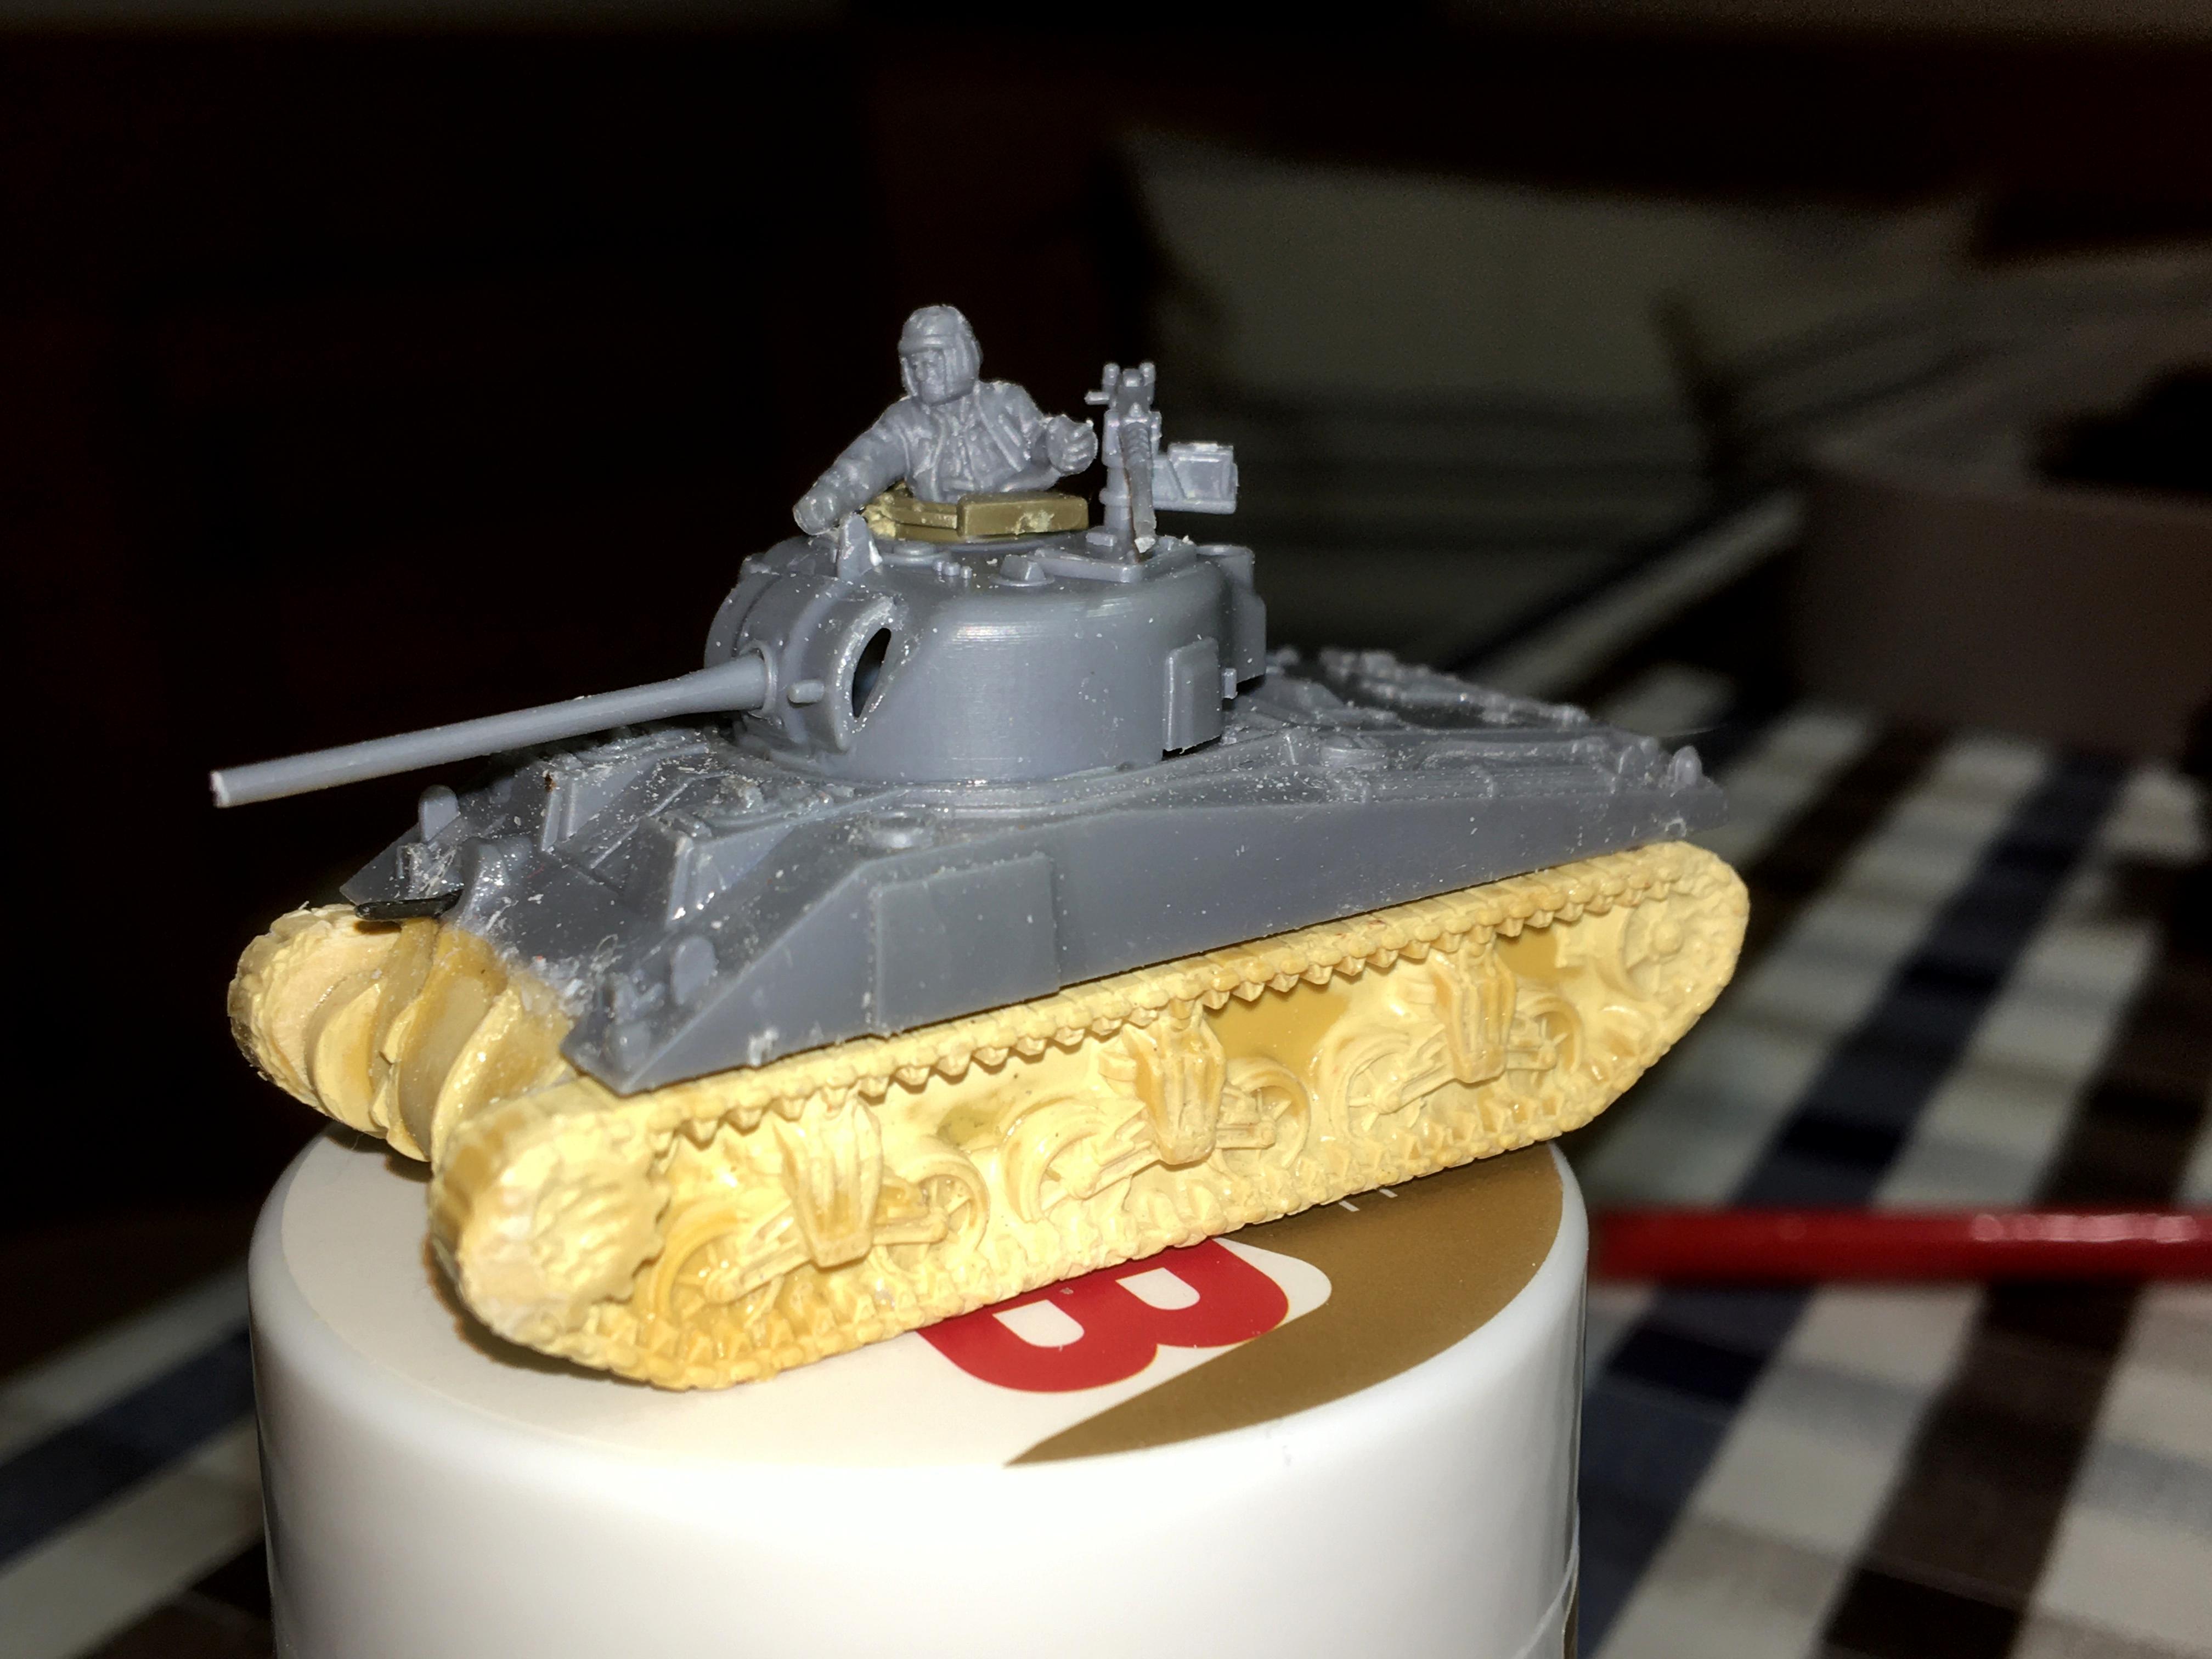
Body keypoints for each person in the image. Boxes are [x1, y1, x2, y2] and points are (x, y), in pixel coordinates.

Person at [792, 306, 1099, 534]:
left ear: (959, 356)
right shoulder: (906, 421)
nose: (921, 373)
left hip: (1021, 530)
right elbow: (867, 463)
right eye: (914, 365)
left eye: (930, 362)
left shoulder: (1006, 400)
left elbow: (1039, 440)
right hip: (944, 538)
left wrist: (1064, 445)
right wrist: (830, 497)